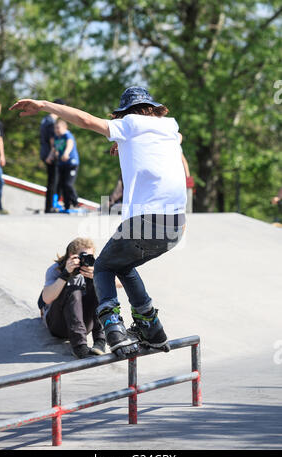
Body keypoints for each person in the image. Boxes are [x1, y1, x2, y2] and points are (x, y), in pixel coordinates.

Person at [10, 86, 187, 359]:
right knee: (123, 265)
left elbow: (86, 121)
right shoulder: (169, 131)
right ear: (152, 109)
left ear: (126, 113)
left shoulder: (128, 123)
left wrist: (44, 105)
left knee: (103, 266)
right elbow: (178, 138)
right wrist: (126, 143)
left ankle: (113, 328)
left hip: (146, 219)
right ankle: (152, 328)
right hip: (177, 226)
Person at [39, 237, 106, 359]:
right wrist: (65, 274)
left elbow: (118, 284)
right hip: (58, 325)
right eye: (83, 256)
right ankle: (79, 347)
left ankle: (100, 341)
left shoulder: (94, 267)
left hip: (85, 324)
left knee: (100, 286)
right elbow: (46, 299)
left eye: (90, 256)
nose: (86, 259)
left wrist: (97, 276)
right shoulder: (56, 269)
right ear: (72, 255)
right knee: (73, 289)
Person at [47, 119, 79, 212]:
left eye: (58, 128)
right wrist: (50, 156)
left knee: (68, 184)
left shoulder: (67, 135)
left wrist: (66, 153)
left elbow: (70, 144)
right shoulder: (57, 137)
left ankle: (75, 202)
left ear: (65, 127)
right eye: (55, 128)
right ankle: (67, 205)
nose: (56, 130)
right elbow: (54, 148)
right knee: (61, 185)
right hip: (62, 164)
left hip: (71, 163)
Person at [40, 98, 65, 213]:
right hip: (51, 155)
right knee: (53, 181)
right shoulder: (51, 123)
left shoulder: (45, 120)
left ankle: (49, 206)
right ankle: (50, 207)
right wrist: (54, 154)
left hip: (44, 152)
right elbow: (52, 141)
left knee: (51, 180)